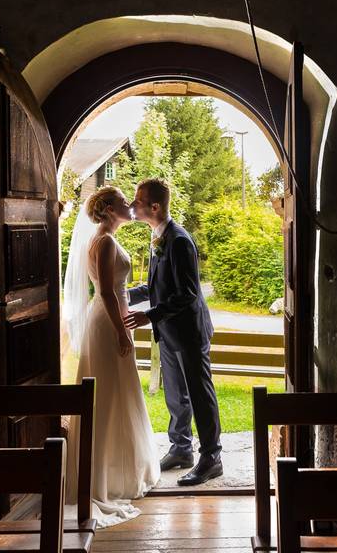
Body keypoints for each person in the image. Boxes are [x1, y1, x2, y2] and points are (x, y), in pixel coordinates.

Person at [62, 186, 160, 528]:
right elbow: (104, 290)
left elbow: (115, 291)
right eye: (121, 202)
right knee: (106, 395)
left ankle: (116, 470)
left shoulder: (107, 238)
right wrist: (120, 330)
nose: (128, 205)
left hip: (114, 318)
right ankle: (100, 479)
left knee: (119, 392)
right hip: (107, 325)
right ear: (106, 209)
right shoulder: (103, 241)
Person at [124, 178, 223, 486]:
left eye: (137, 202)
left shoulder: (179, 240)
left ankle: (211, 457)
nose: (132, 206)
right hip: (168, 332)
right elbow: (158, 285)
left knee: (199, 394)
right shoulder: (158, 236)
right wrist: (121, 293)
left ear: (154, 207)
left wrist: (148, 315)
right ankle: (181, 449)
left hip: (189, 332)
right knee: (176, 395)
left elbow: (188, 293)